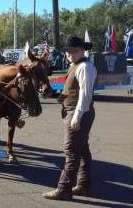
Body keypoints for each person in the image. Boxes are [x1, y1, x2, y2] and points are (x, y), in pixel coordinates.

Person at [43, 36, 97, 200]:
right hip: (74, 111)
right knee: (82, 150)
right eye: (68, 52)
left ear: (82, 50)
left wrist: (77, 116)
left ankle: (64, 189)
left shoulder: (85, 67)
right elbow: (71, 92)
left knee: (71, 152)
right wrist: (54, 94)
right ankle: (83, 185)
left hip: (77, 112)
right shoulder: (76, 66)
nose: (71, 55)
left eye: (75, 51)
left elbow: (85, 94)